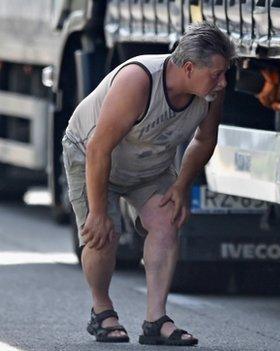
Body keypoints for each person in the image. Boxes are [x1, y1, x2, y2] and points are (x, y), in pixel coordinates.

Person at [62, 22, 235, 346]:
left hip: (149, 165)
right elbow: (99, 148)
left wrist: (181, 187)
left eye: (225, 73)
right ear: (187, 67)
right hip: (93, 156)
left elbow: (205, 139)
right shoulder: (139, 80)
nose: (223, 81)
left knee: (167, 220)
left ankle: (156, 320)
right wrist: (98, 213)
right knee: (103, 233)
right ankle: (102, 311)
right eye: (216, 73)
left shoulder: (210, 92)